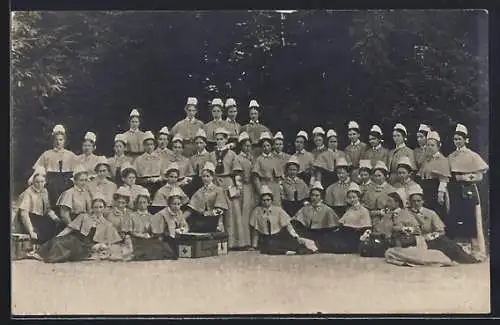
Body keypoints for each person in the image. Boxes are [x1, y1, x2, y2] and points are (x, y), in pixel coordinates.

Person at [32, 193, 123, 263]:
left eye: (100, 207)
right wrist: (58, 236)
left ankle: (47, 257)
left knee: (66, 249)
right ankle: (39, 254)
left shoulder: (107, 224)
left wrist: (102, 245)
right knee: (58, 241)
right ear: (92, 208)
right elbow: (69, 228)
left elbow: (111, 241)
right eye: (95, 207)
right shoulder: (84, 216)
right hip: (76, 240)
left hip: (88, 247)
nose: (98, 210)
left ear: (104, 208)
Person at [407, 184, 482, 263]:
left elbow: (441, 231)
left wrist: (430, 236)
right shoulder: (405, 212)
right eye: (413, 201)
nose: (416, 203)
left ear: (423, 201)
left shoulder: (430, 213)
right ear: (410, 202)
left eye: (418, 201)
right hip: (413, 240)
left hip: (430, 239)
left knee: (451, 245)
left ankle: (469, 260)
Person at [447, 123, 489, 254]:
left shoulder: (472, 155)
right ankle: (458, 247)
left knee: (469, 215)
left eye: (460, 139)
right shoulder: (451, 156)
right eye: (455, 139)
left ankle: (473, 247)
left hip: (468, 189)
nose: (457, 141)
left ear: (465, 140)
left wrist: (465, 177)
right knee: (455, 214)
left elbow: (480, 175)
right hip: (454, 190)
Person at [249, 185, 315, 255]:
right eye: (263, 200)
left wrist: (295, 236)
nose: (266, 202)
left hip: (277, 236)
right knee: (269, 247)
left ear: (271, 200)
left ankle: (300, 250)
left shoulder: (278, 210)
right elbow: (255, 230)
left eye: (268, 200)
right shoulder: (257, 211)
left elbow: (288, 225)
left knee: (291, 243)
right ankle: (286, 252)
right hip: (265, 238)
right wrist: (254, 245)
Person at [208, 127, 244, 249]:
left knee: (231, 211)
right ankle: (216, 241)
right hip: (215, 182)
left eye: (221, 139)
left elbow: (237, 172)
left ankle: (233, 242)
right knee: (216, 210)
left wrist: (238, 186)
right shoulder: (211, 155)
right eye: (217, 139)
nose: (219, 141)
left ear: (225, 140)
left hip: (228, 182)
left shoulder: (232, 154)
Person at [359, 188, 420, 257]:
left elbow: (417, 230)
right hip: (387, 241)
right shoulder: (387, 214)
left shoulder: (406, 214)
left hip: (402, 242)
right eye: (387, 201)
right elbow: (381, 229)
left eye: (390, 201)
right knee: (366, 247)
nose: (387, 204)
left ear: (397, 203)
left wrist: (402, 229)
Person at [121, 187, 178, 261]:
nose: (142, 205)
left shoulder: (152, 217)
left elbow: (154, 232)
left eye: (144, 202)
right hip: (136, 239)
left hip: (149, 239)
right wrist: (141, 235)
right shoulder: (131, 215)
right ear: (137, 204)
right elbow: (129, 232)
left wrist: (151, 235)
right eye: (140, 202)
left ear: (148, 203)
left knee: (164, 248)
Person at [14, 166, 62, 245]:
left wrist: (56, 219)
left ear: (45, 182)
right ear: (33, 181)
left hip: (40, 217)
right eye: (37, 182)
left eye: (42, 181)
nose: (40, 184)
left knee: (56, 227)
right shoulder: (28, 193)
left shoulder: (44, 191)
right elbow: (24, 214)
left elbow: (47, 209)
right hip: (29, 219)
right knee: (40, 234)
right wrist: (31, 231)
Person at [33, 124, 77, 209]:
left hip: (66, 181)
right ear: (53, 141)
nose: (58, 142)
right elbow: (39, 169)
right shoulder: (46, 154)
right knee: (51, 189)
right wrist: (32, 178)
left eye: (61, 140)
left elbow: (78, 171)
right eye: (56, 140)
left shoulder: (71, 155)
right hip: (51, 180)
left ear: (64, 141)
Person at [290, 181, 340, 253]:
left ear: (321, 197)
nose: (314, 197)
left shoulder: (327, 209)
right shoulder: (305, 208)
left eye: (317, 195)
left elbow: (333, 225)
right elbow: (296, 220)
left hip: (322, 233)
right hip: (308, 232)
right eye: (312, 195)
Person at [324, 183, 372, 254]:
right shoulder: (349, 209)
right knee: (326, 238)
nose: (352, 199)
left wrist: (364, 236)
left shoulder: (364, 210)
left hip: (355, 234)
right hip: (345, 232)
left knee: (339, 246)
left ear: (358, 198)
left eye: (354, 197)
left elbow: (367, 227)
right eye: (350, 197)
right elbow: (342, 222)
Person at [417, 131, 451, 229]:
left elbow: (443, 179)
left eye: (432, 145)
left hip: (436, 187)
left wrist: (440, 194)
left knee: (437, 211)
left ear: (438, 146)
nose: (430, 147)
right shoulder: (426, 159)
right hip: (426, 187)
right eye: (428, 145)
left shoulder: (442, 159)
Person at [183, 162, 229, 233]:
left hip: (215, 220)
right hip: (201, 220)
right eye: (203, 176)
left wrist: (207, 213)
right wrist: (181, 218)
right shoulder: (199, 191)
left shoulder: (218, 190)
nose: (205, 179)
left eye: (208, 176)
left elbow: (220, 210)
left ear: (212, 177)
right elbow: (191, 208)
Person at [151, 187, 192, 260]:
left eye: (178, 204)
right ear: (169, 204)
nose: (176, 206)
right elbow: (159, 232)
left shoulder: (179, 212)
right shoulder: (162, 214)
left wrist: (181, 230)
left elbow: (185, 225)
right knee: (171, 255)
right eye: (174, 204)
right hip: (162, 238)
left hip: (175, 237)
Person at [235, 132, 256, 249]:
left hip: (252, 187)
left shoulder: (253, 158)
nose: (247, 148)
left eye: (249, 146)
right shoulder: (238, 158)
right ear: (241, 146)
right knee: (244, 213)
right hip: (244, 187)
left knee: (253, 213)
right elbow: (237, 174)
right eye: (245, 146)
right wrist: (239, 188)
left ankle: (254, 241)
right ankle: (244, 242)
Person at [252, 132, 283, 206]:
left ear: (271, 146)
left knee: (276, 206)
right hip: (264, 185)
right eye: (264, 146)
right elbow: (255, 177)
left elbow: (279, 176)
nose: (266, 148)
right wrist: (260, 190)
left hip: (274, 186)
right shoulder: (259, 159)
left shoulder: (275, 159)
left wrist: (280, 187)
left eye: (268, 145)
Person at [134, 131, 164, 197]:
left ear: (154, 145)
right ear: (144, 146)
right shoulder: (138, 159)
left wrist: (159, 178)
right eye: (147, 144)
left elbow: (164, 174)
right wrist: (147, 180)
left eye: (151, 144)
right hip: (144, 185)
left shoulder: (160, 158)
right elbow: (136, 177)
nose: (150, 147)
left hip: (158, 184)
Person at [185, 128, 211, 197]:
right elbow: (191, 172)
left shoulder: (210, 156)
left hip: (207, 181)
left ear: (205, 144)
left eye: (201, 143)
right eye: (197, 143)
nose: (199, 145)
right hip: (195, 183)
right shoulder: (192, 158)